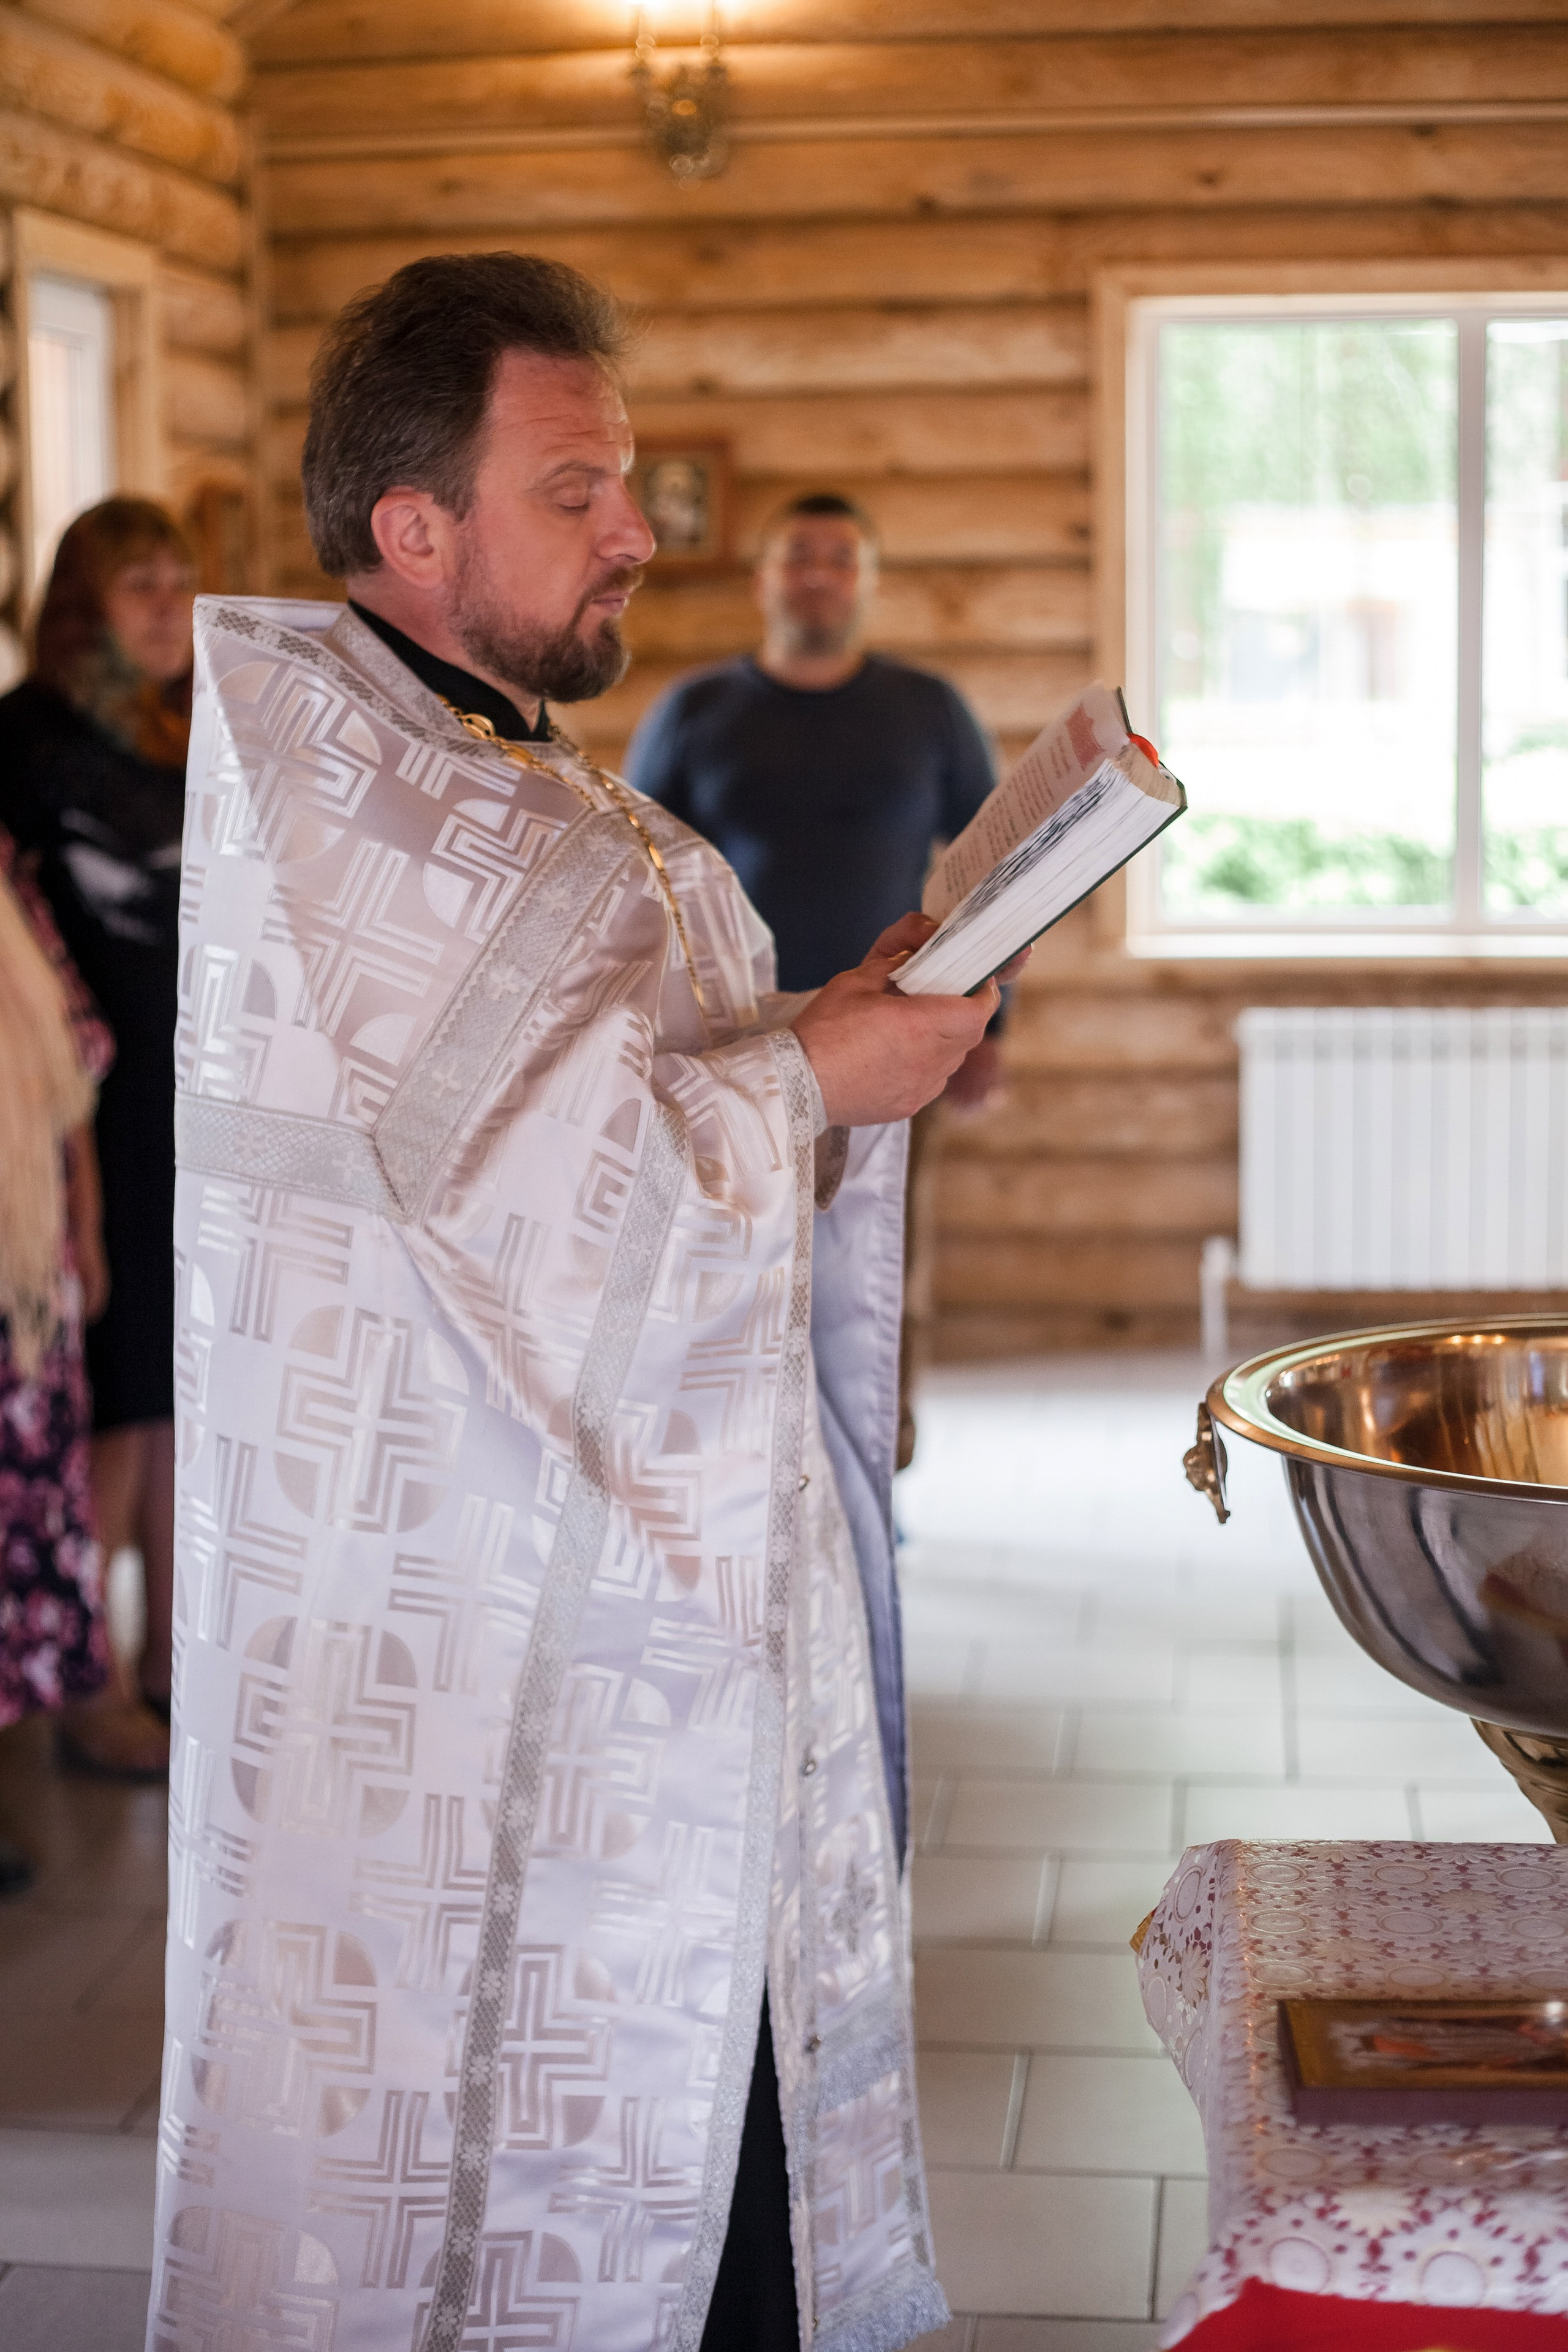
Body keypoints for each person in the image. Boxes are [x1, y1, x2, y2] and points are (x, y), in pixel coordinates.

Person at [148, 253, 1005, 2352]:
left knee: (713, 2154)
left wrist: (832, 1011)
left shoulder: (482, 759)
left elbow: (607, 1093)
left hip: (603, 1594)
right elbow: (529, 1202)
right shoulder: (377, 805)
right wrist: (824, 1072)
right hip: (478, 1646)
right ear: (413, 528)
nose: (637, 532)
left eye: (622, 486)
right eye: (578, 490)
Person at [629, 492, 1006, 1462]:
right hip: (735, 1048)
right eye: (800, 556)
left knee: (882, 1273)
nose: (820, 575)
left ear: (869, 582)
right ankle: (752, 1464)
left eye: (842, 558)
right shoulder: (694, 711)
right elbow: (636, 876)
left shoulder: (928, 710)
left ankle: (880, 1462)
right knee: (742, 1260)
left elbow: (998, 874)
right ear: (764, 578)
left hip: (899, 1038)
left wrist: (986, 1035)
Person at [0, 499, 197, 1733]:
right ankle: (96, 1680)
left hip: (197, 1092)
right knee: (110, 1384)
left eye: (182, 582)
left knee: (184, 1378)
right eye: (141, 587)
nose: (171, 607)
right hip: (82, 1111)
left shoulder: (193, 725)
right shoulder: (21, 739)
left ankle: (177, 1653)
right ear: (83, 605)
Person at [0, 821, 135, 1879]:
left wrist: (83, 1225)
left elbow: (74, 1060)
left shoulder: (9, 865)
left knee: (26, 1523)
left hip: (26, 1258)